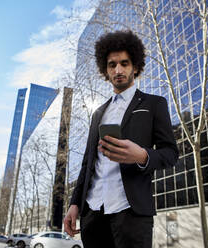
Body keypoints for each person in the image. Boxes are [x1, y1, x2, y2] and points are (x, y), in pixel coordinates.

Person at [63, 30, 179, 248]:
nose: (118, 70)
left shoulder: (154, 104)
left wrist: (142, 155)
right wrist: (75, 204)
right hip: (93, 214)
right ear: (105, 71)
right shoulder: (98, 113)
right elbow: (88, 163)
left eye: (124, 63)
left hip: (131, 213)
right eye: (112, 65)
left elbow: (171, 154)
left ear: (135, 67)